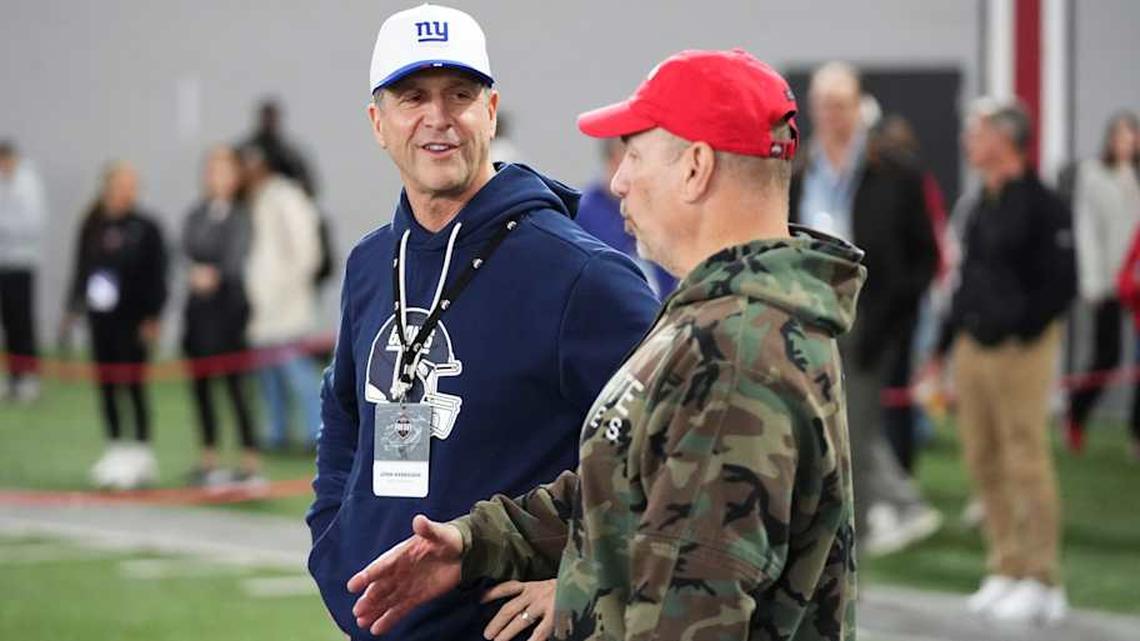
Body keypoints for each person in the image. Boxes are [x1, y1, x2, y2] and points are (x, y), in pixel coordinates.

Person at [345, 48, 864, 641]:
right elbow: (624, 484)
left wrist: (569, 597)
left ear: (694, 167)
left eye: (634, 153)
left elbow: (687, 617)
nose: (617, 180)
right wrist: (474, 543)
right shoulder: (718, 320)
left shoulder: (734, 357)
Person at [305, 5, 659, 641]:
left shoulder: (582, 276)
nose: (438, 118)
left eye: (460, 95)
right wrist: (334, 542)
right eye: (413, 96)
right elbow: (345, 418)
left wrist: (583, 582)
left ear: (491, 112)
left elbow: (669, 460)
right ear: (377, 123)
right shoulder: (368, 263)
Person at [928, 99, 1075, 624]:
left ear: (1005, 139)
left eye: (978, 131)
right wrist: (942, 348)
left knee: (1025, 458)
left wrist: (1021, 328)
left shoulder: (1045, 204)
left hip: (1022, 350)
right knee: (983, 457)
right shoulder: (977, 203)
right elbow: (963, 279)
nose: (969, 140)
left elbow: (1062, 283)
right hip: (973, 346)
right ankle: (1005, 566)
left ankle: (1042, 578)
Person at [790, 62, 941, 556]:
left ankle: (871, 522)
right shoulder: (800, 167)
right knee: (820, 426)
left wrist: (896, 314)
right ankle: (876, 513)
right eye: (823, 105)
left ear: (858, 108)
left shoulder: (894, 168)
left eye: (841, 105)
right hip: (807, 312)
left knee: (855, 426)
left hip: (868, 317)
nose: (832, 116)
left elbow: (924, 253)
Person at [64, 161, 168, 490]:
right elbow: (81, 267)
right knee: (106, 382)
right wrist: (73, 307)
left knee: (133, 382)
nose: (127, 191)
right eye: (121, 184)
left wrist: (153, 316)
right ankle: (114, 449)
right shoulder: (92, 224)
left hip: (133, 319)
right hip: (101, 319)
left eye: (132, 185)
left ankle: (141, 452)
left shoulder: (146, 227)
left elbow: (157, 274)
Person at [181, 145, 261, 487]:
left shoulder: (241, 215)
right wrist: (196, 272)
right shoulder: (197, 213)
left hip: (229, 309)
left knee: (235, 386)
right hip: (199, 311)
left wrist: (212, 273)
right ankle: (209, 458)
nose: (216, 177)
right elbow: (185, 246)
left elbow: (235, 255)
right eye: (212, 170)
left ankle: (249, 460)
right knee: (201, 385)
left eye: (223, 170)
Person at [240, 142, 323, 451]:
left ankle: (317, 430)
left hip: (286, 299)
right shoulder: (256, 199)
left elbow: (305, 247)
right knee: (266, 370)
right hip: (262, 301)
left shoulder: (285, 195)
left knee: (294, 367)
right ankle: (275, 431)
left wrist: (292, 285)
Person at [1067, 111, 1140, 452]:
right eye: (1121, 135)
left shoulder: (1135, 177)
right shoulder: (1093, 175)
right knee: (1106, 357)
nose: (1127, 142)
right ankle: (1076, 416)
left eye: (1132, 135)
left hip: (1137, 281)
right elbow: (1087, 232)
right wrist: (1093, 281)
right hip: (1109, 281)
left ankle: (1136, 433)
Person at [575, 138, 677, 297]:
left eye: (636, 159)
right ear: (612, 160)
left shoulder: (663, 209)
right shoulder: (581, 215)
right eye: (629, 158)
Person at [0, 140, 46, 402]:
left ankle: (29, 376)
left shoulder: (28, 184)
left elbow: (32, 224)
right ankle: (13, 376)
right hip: (3, 263)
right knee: (7, 323)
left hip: (23, 262)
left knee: (22, 321)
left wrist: (5, 228)